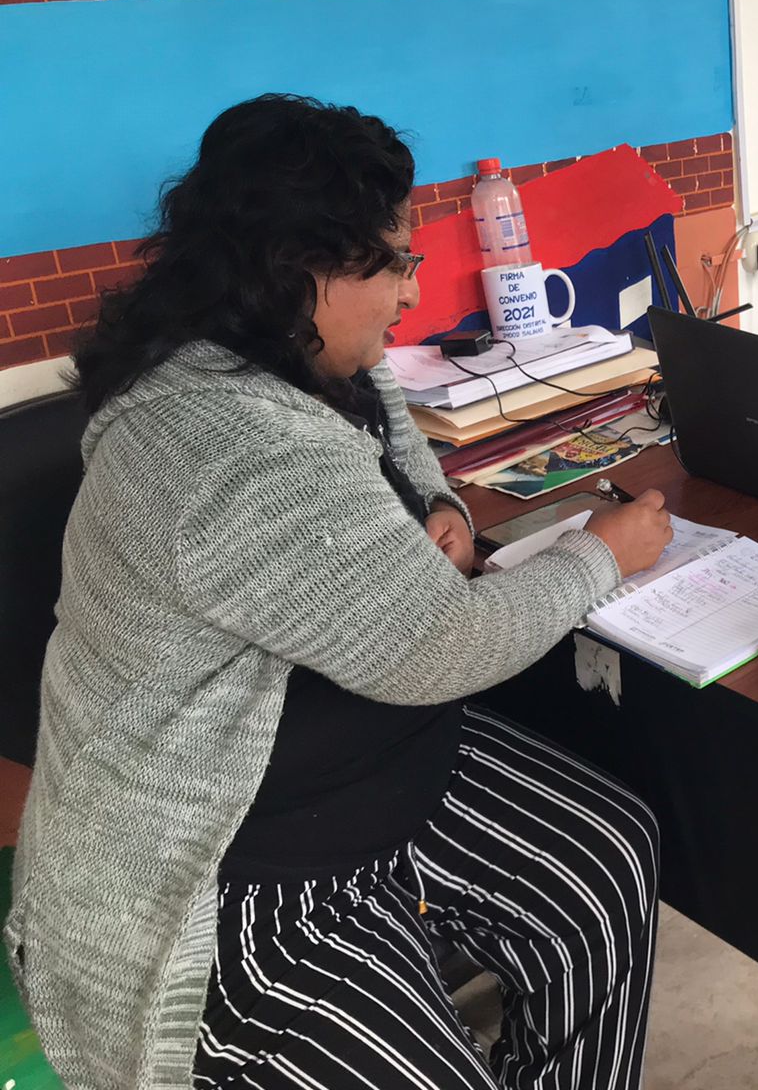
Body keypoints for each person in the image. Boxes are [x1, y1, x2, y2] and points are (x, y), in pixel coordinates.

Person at [3, 94, 672, 1090]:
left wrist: (439, 503)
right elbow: (447, 645)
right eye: (395, 261)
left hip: (375, 774)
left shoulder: (285, 353)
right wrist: (600, 555)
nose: (414, 288)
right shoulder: (226, 441)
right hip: (233, 871)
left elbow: (384, 405)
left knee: (604, 858)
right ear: (298, 268)